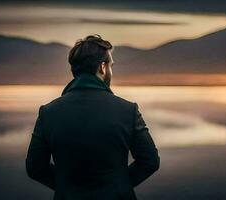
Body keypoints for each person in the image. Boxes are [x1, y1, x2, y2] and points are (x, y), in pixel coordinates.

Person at [25, 34, 160, 200]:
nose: (111, 71)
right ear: (102, 67)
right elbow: (150, 161)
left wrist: (67, 187)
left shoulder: (48, 112)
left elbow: (35, 168)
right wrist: (118, 186)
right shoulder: (127, 110)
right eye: (111, 65)